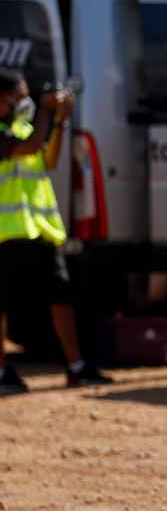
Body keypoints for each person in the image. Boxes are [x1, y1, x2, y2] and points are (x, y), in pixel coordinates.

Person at [0, 70, 112, 392]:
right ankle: (2, 371)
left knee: (62, 297)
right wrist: (47, 110)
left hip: (39, 231)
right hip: (4, 235)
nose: (25, 102)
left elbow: (48, 159)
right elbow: (30, 146)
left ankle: (76, 365)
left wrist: (61, 120)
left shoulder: (25, 127)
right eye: (19, 96)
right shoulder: (12, 133)